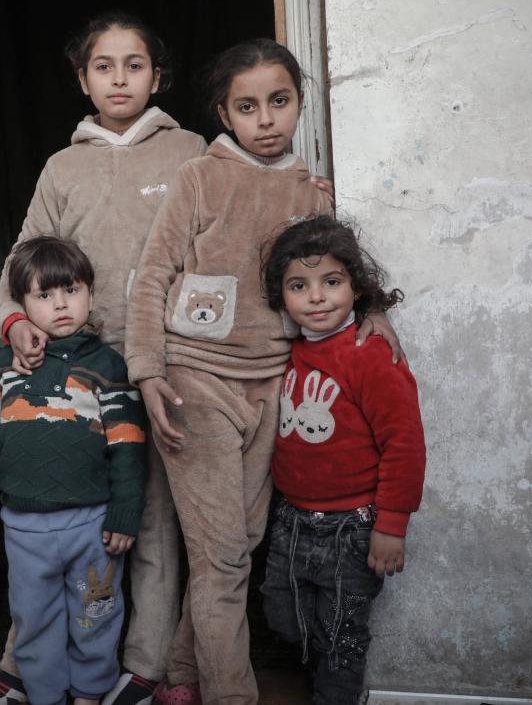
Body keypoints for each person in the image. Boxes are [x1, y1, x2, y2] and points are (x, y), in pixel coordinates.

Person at [124, 39, 401, 705]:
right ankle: (232, 695)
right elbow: (153, 274)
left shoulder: (310, 192)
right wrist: (148, 372)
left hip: (274, 382)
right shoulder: (200, 178)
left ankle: (183, 672)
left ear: (300, 104)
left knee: (242, 542)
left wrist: (374, 312)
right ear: (224, 113)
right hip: (196, 379)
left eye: (280, 102)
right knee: (221, 559)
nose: (266, 119)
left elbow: (330, 279)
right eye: (248, 107)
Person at [0, 12, 206, 705]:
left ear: (157, 76)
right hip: (76, 372)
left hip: (168, 365)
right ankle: (26, 662)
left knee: (154, 520)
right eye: (103, 66)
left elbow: (242, 220)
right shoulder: (63, 167)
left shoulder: (192, 151)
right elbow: (22, 262)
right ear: (83, 80)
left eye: (133, 64)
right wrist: (17, 322)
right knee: (57, 516)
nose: (119, 77)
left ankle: (144, 666)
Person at [0, 236, 149, 705]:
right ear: (21, 305)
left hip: (92, 527)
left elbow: (128, 445)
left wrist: (125, 512)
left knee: (96, 614)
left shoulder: (107, 365)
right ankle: (45, 695)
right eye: (44, 295)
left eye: (72, 291)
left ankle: (90, 692)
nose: (61, 305)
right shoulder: (2, 366)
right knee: (34, 617)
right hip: (24, 528)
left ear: (90, 293)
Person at [259, 215, 425, 705]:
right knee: (281, 617)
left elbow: (405, 443)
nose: (316, 297)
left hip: (353, 527)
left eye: (331, 282)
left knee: (342, 641)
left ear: (357, 287)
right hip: (291, 520)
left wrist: (391, 525)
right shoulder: (290, 349)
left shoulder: (370, 353)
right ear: (282, 296)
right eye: (298, 285)